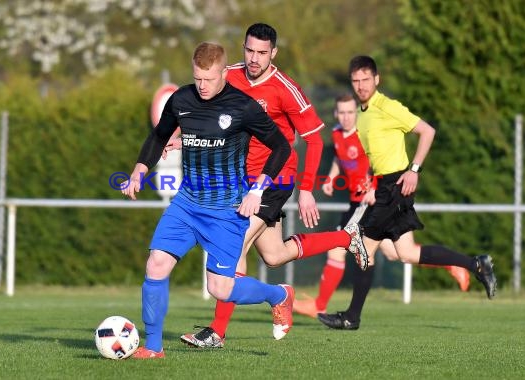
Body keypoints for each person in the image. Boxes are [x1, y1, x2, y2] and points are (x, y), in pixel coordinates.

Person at [175, 23, 368, 348]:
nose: (254, 58)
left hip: (274, 180)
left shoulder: (284, 89)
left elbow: (315, 141)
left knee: (232, 245)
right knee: (275, 255)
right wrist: (179, 136)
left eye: (262, 52)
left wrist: (306, 190)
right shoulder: (228, 75)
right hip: (237, 182)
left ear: (273, 53)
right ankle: (345, 239)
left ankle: (217, 332)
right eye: (249, 50)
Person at [122, 42, 297, 359]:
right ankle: (153, 347)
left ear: (223, 73)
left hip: (226, 211)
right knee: (156, 264)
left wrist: (257, 190)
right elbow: (160, 135)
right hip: (186, 204)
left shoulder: (243, 106)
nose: (202, 86)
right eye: (198, 78)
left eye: (210, 79)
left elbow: (282, 147)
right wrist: (139, 170)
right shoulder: (182, 99)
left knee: (221, 289)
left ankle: (278, 294)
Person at [317, 56, 497, 330]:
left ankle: (351, 317)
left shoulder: (388, 107)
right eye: (356, 80)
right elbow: (373, 156)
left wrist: (414, 169)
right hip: (384, 185)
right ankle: (477, 264)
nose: (361, 85)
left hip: (395, 186)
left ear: (377, 80)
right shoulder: (362, 115)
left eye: (366, 79)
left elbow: (427, 131)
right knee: (407, 253)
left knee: (363, 249)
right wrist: (366, 179)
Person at [293, 94, 470, 319]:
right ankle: (450, 263)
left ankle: (319, 305)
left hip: (368, 202)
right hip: (357, 202)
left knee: (337, 248)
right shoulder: (337, 133)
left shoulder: (365, 134)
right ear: (336, 114)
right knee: (398, 253)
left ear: (356, 113)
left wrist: (374, 190)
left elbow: (381, 164)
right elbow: (340, 157)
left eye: (351, 112)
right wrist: (331, 176)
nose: (347, 117)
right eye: (342, 113)